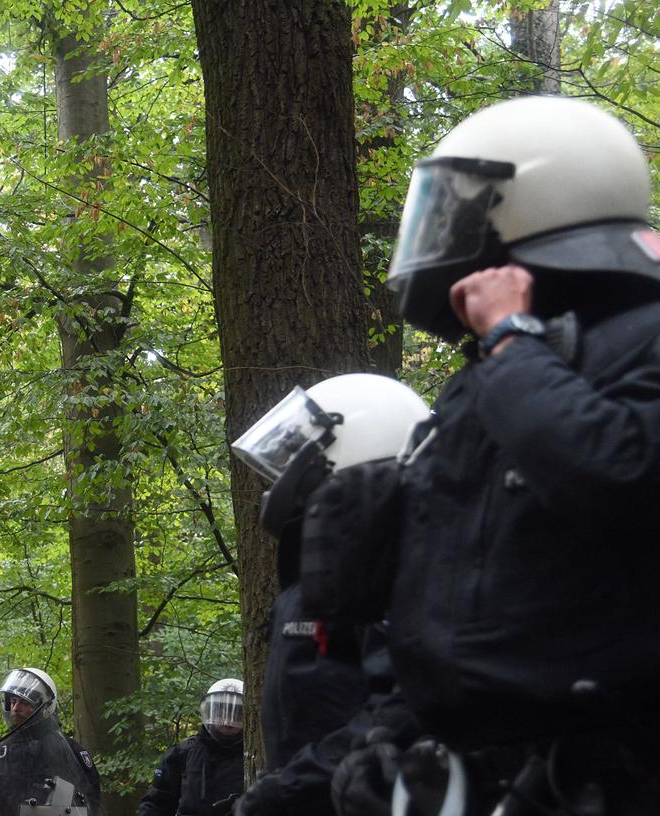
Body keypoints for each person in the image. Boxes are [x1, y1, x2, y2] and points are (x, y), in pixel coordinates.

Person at [337, 95, 660, 812]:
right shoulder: (491, 377)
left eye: (457, 208)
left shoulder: (632, 337)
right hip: (498, 777)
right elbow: (438, 587)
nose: (442, 233)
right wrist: (392, 735)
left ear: (541, 196)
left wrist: (512, 339)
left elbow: (621, 469)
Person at [227, 375, 429, 815]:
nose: (280, 483)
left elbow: (402, 709)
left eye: (298, 461)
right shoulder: (328, 575)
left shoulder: (396, 572)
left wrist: (290, 788)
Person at [0, 667, 101, 816]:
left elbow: (91, 802)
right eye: (13, 702)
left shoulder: (72, 752)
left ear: (44, 706)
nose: (16, 708)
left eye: (24, 702)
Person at [138, 679, 244, 816]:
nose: (227, 722)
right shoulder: (183, 753)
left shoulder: (257, 755)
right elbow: (156, 803)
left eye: (236, 715)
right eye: (220, 713)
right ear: (209, 711)